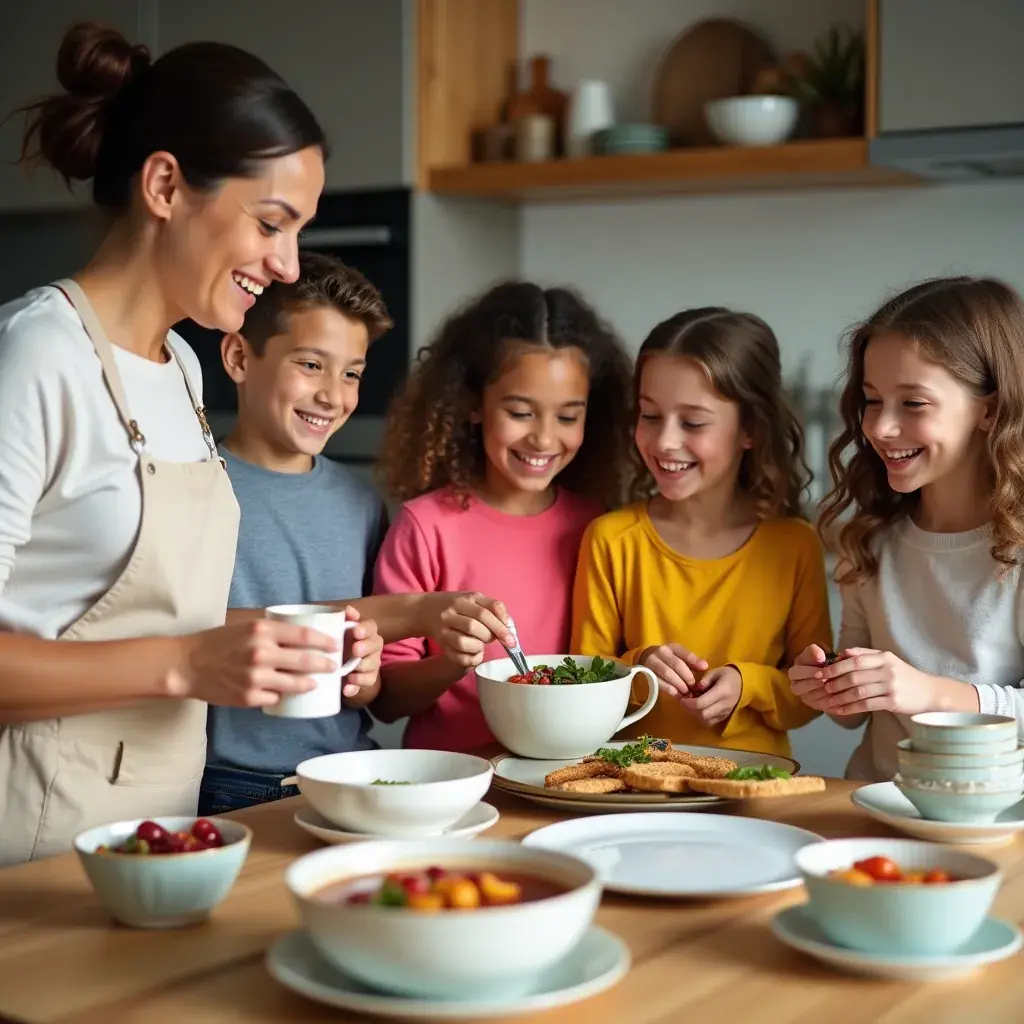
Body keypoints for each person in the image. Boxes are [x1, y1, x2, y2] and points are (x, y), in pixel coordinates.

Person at [0, 23, 501, 865]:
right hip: (36, 845)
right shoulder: (36, 356)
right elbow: (177, 651)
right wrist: (186, 664)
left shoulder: (180, 368)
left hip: (161, 838)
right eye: (271, 224)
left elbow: (167, 623)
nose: (287, 264)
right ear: (165, 185)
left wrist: (302, 645)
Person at [372, 281, 634, 752]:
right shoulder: (425, 527)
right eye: (520, 412)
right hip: (453, 779)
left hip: (563, 778)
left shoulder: (601, 528)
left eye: (567, 417)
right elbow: (387, 701)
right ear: (474, 404)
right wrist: (452, 663)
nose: (543, 439)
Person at [788, 277, 1024, 781]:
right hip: (870, 807)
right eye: (872, 400)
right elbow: (851, 718)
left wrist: (929, 692)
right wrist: (831, 685)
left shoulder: (1016, 548)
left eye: (913, 403)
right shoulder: (869, 540)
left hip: (997, 818)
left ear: (989, 409)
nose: (879, 427)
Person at [571, 308, 831, 757]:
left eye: (692, 422)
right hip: (631, 781)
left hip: (756, 780)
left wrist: (748, 685)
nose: (664, 441)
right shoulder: (610, 539)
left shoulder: (794, 545)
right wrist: (640, 666)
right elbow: (581, 680)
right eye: (650, 415)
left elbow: (812, 693)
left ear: (751, 429)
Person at [199, 251, 394, 814]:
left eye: (351, 373)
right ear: (239, 357)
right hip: (225, 786)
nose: (334, 395)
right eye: (311, 364)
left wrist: (367, 671)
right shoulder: (194, 489)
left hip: (351, 775)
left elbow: (368, 692)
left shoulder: (362, 503)